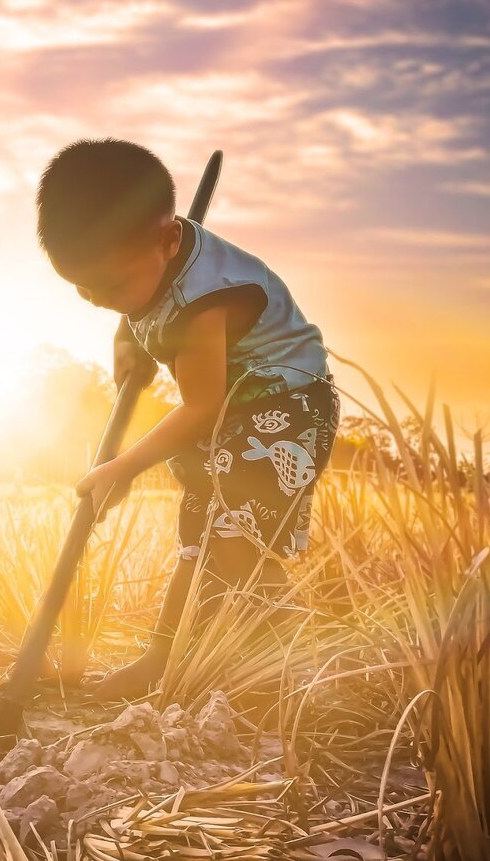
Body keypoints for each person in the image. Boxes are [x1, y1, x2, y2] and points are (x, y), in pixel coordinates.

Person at [34, 138, 340, 701]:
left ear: (169, 238)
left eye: (114, 287)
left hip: (283, 405)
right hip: (232, 405)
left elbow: (200, 406)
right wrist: (126, 331)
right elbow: (140, 301)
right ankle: (161, 659)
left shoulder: (207, 302)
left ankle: (282, 675)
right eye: (85, 289)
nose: (102, 299)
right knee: (198, 538)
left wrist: (123, 466)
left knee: (238, 538)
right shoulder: (146, 261)